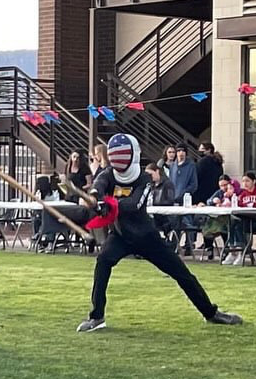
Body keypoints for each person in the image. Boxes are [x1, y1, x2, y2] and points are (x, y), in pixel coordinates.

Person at [75, 133, 242, 332]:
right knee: (103, 262)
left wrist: (108, 205)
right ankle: (97, 317)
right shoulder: (109, 174)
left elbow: (134, 204)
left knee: (182, 274)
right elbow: (99, 184)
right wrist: (94, 196)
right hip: (120, 236)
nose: (118, 159)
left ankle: (211, 313)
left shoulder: (144, 178)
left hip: (147, 237)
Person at [223, 172, 256, 266]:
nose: (245, 183)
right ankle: (233, 251)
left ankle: (241, 252)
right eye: (243, 181)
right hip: (245, 222)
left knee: (239, 225)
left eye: (247, 181)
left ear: (254, 181)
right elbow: (238, 208)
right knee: (231, 222)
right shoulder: (243, 195)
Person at [169, 143, 198, 255]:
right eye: (179, 151)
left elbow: (194, 184)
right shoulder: (173, 165)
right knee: (175, 222)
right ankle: (174, 244)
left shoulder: (191, 166)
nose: (181, 153)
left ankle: (189, 245)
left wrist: (185, 193)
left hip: (186, 199)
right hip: (174, 199)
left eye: (183, 151)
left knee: (187, 222)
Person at [198, 176, 238, 260]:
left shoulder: (235, 192)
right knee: (208, 226)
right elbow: (209, 201)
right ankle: (209, 248)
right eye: (221, 186)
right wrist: (213, 201)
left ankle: (226, 250)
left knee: (224, 228)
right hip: (218, 217)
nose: (223, 188)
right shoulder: (219, 192)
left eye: (225, 185)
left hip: (229, 218)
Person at [144, 162, 176, 244]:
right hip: (153, 215)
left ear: (157, 171)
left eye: (150, 174)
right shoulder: (150, 185)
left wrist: (155, 204)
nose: (149, 177)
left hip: (164, 217)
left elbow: (170, 200)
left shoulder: (168, 184)